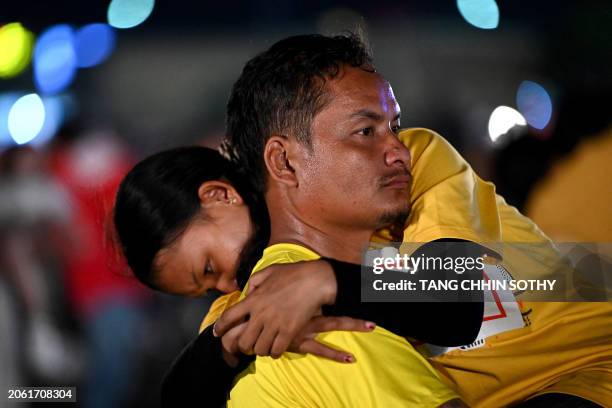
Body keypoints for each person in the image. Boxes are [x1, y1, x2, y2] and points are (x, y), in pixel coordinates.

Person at [209, 33, 610, 407]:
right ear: (284, 161)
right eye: (365, 131)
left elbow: (455, 305)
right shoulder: (276, 308)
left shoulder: (422, 166)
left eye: (394, 126)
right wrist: (223, 346)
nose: (397, 149)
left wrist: (327, 279)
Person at [114, 142, 483, 406]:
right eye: (207, 288)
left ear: (219, 195)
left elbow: (456, 308)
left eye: (209, 267)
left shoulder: (405, 164)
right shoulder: (253, 295)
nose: (225, 285)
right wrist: (229, 341)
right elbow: (180, 394)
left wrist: (328, 280)